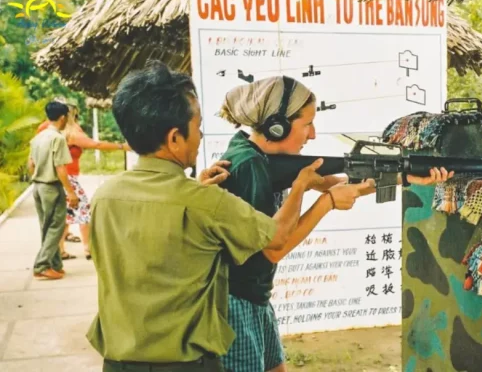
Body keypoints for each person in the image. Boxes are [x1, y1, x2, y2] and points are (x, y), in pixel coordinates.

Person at [86, 61, 317, 372]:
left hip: (119, 361)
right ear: (173, 139)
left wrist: (193, 190)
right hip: (184, 363)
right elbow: (275, 238)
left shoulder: (105, 196)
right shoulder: (204, 201)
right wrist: (304, 186)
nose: (201, 135)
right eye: (196, 127)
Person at [217, 76, 452, 372]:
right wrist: (325, 203)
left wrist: (404, 176)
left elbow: (337, 182)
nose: (312, 135)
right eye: (307, 124)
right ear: (277, 126)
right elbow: (272, 249)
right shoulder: (250, 165)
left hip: (253, 294)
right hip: (235, 301)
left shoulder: (258, 157)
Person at [37, 104, 131, 260]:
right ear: (66, 117)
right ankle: (88, 248)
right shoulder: (71, 134)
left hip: (53, 178)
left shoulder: (45, 131)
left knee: (63, 216)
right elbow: (96, 144)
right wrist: (122, 146)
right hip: (67, 178)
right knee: (83, 211)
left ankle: (60, 250)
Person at [28, 100, 79, 280]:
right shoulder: (57, 138)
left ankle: (55, 264)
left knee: (46, 227)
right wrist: (71, 192)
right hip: (51, 187)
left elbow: (30, 165)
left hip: (38, 187)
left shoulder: (38, 138)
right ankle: (41, 265)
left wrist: (38, 178)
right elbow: (60, 168)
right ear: (63, 117)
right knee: (57, 226)